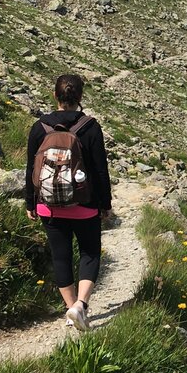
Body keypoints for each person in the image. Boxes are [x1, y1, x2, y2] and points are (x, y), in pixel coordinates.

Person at [25, 73, 112, 331]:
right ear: (80, 96)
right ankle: (80, 306)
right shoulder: (90, 127)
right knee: (90, 253)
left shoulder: (40, 127)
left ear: (55, 95)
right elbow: (100, 170)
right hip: (84, 205)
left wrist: (30, 203)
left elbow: (30, 168)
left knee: (61, 256)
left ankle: (70, 307)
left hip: (48, 205)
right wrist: (105, 204)